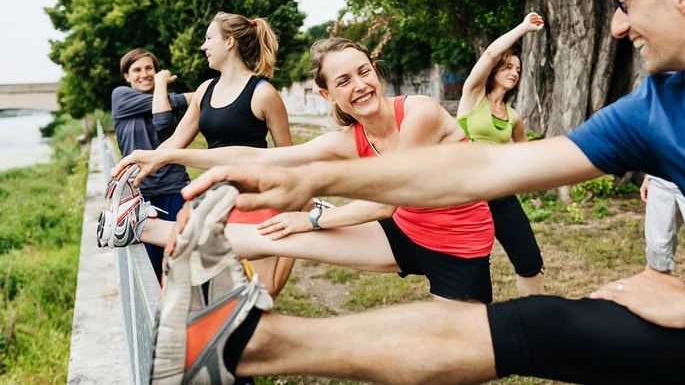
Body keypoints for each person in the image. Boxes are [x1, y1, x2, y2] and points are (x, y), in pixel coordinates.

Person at [143, 0, 685, 384]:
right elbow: (482, 167)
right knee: (534, 324)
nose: (617, 27)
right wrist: (317, 181)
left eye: (625, 2)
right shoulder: (660, 108)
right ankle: (237, 346)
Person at [110, 37, 496, 304]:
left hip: (457, 249)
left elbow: (387, 203)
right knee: (271, 235)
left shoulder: (420, 113)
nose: (360, 86)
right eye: (344, 81)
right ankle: (144, 227)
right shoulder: (351, 138)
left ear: (376, 71)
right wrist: (167, 155)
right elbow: (262, 158)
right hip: (406, 234)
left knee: (452, 364)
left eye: (364, 72)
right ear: (327, 94)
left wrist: (312, 220)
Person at [101, 12, 296, 298]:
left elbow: (289, 157)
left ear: (229, 42)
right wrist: (140, 163)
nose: (203, 47)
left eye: (208, 38)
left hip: (256, 199)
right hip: (216, 197)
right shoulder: (206, 90)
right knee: (212, 288)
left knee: (263, 292)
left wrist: (293, 208)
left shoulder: (263, 93)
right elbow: (175, 142)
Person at [457, 11, 545, 296]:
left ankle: (533, 320)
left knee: (530, 260)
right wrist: (523, 27)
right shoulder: (472, 97)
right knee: (473, 270)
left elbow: (525, 156)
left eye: (517, 70)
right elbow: (491, 53)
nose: (513, 73)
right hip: (468, 197)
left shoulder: (514, 117)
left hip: (502, 196)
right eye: (508, 67)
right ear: (494, 71)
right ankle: (478, 327)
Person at [110, 48, 192, 278]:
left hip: (174, 189)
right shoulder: (120, 96)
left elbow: (162, 119)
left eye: (150, 69)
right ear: (127, 76)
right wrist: (170, 90)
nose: (144, 74)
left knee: (178, 259)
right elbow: (170, 104)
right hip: (140, 194)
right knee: (149, 265)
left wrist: (162, 87)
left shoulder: (166, 103)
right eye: (136, 70)